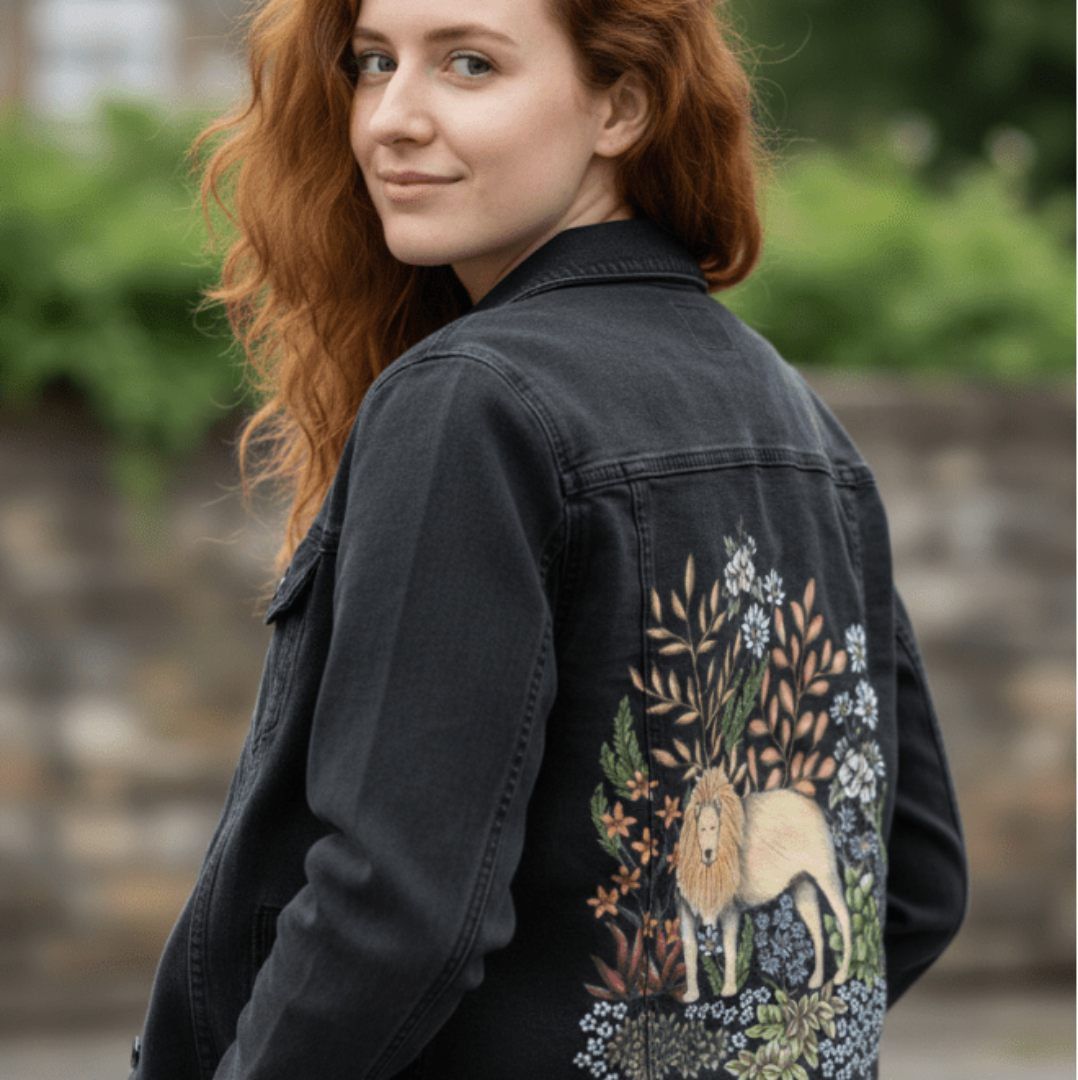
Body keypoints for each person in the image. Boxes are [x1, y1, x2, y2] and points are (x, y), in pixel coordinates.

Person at [128, 0, 967, 1076]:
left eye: (468, 64)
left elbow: (389, 913)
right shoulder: (798, 417)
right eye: (374, 62)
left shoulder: (469, 404)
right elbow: (915, 881)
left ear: (620, 106)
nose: (390, 115)